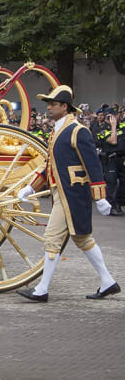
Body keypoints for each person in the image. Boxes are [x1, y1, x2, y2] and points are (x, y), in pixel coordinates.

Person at [17, 85, 119, 302]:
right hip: (62, 194)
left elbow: (92, 164)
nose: (49, 108)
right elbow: (49, 166)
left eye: (53, 104)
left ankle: (42, 289)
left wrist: (100, 196)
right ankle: (108, 281)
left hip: (72, 195)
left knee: (52, 238)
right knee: (83, 239)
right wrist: (31, 187)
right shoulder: (57, 131)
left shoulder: (77, 131)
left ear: (64, 107)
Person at [96, 109, 125, 215]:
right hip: (111, 159)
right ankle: (110, 207)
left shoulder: (121, 126)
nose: (113, 118)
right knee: (111, 183)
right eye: (110, 117)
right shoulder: (103, 130)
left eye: (115, 116)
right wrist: (113, 126)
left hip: (122, 159)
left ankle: (118, 203)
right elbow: (113, 141)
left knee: (123, 183)